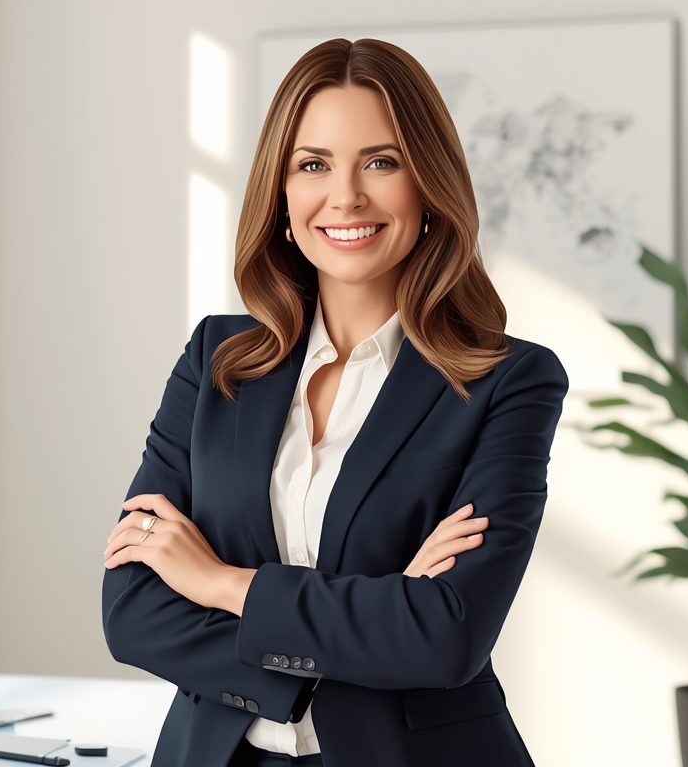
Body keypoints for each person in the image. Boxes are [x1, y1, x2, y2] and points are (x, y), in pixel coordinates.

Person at [100, 38, 567, 767]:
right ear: (282, 194)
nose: (345, 196)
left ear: (428, 185)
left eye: (381, 162)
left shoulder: (507, 381)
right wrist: (376, 612)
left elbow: (445, 637)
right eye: (312, 164)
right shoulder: (215, 361)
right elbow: (133, 612)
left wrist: (220, 583)